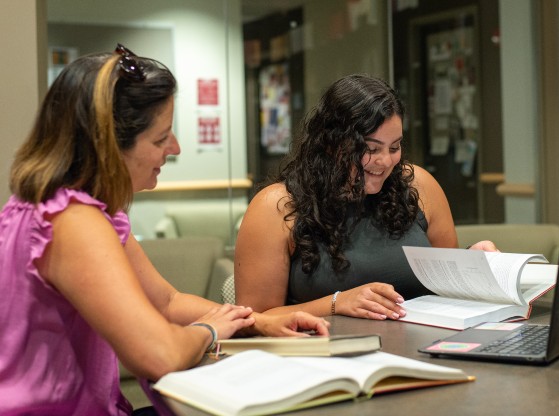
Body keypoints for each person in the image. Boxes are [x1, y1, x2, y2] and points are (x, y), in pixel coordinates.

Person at [0, 44, 330, 416]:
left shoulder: (51, 207)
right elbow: (158, 355)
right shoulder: (74, 222)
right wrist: (209, 331)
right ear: (107, 145)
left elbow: (167, 302)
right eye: (160, 139)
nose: (174, 148)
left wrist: (260, 322)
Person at [234, 73, 496, 321]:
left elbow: (447, 283)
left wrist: (473, 259)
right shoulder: (277, 206)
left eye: (394, 147)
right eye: (370, 149)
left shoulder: (418, 184)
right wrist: (336, 303)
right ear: (331, 144)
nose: (385, 161)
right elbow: (254, 319)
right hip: (328, 357)